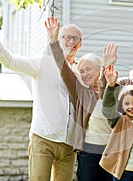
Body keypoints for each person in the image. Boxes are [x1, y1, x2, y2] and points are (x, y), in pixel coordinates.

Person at [0, 11, 82, 180]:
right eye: (66, 37)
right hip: (43, 139)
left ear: (80, 44)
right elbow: (10, 60)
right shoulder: (42, 63)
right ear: (57, 40)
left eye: (76, 39)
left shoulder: (82, 71)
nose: (71, 42)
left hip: (69, 145)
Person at [45, 16, 112, 181]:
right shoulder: (81, 93)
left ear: (99, 69)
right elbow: (64, 69)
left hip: (111, 151)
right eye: (81, 71)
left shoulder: (112, 89)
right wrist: (54, 41)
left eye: (88, 69)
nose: (84, 74)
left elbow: (106, 89)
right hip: (88, 153)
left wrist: (107, 67)